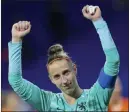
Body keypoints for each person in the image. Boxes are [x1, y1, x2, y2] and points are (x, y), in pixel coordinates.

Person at [8, 5, 120, 111]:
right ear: (51, 79)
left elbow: (113, 60)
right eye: (57, 76)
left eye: (66, 72)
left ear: (74, 69)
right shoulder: (48, 103)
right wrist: (16, 39)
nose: (64, 81)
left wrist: (98, 21)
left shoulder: (97, 96)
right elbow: (16, 81)